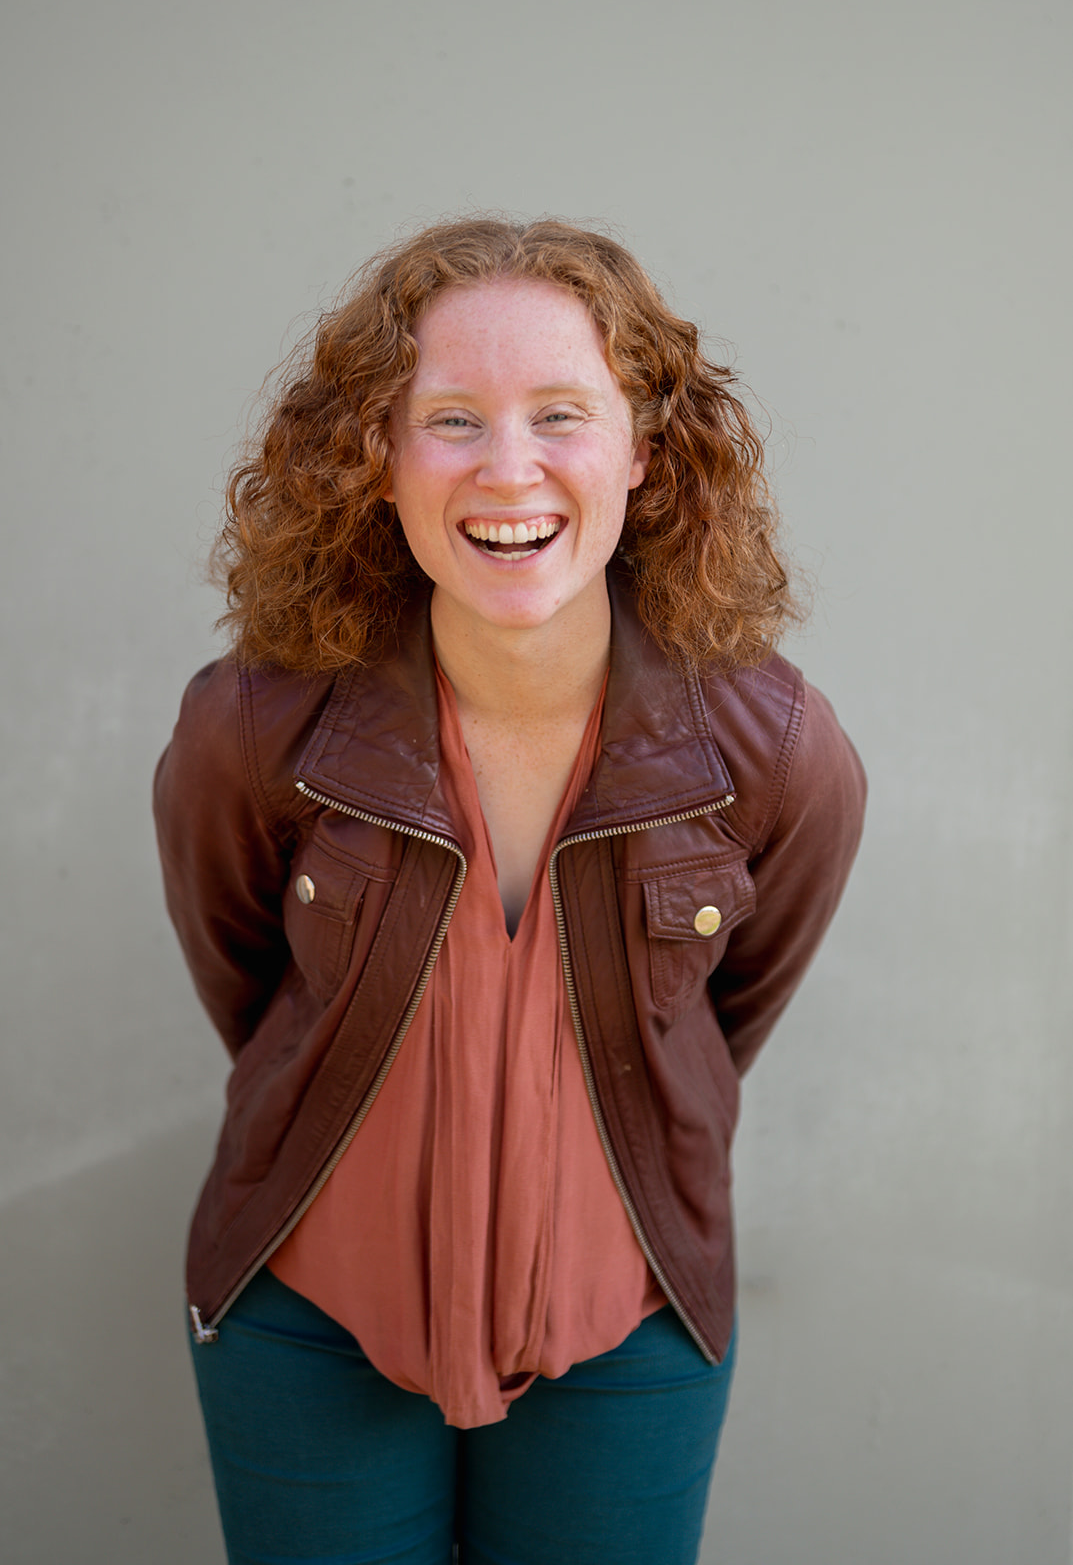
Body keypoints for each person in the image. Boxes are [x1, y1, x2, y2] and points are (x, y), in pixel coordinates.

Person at [154, 216, 866, 1565]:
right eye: (449, 419)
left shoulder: (768, 750)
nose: (508, 468)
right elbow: (248, 981)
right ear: (377, 459)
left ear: (642, 450)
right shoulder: (254, 730)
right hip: (305, 1320)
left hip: (634, 1328)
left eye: (560, 413)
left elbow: (721, 1020)